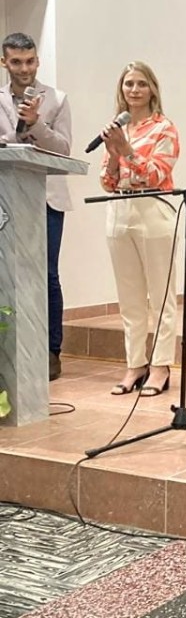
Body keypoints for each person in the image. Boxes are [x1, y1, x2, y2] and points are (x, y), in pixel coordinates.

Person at [99, 62, 179, 396]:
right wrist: (115, 154)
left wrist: (127, 150)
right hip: (119, 209)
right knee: (129, 296)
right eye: (128, 84)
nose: (134, 90)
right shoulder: (118, 128)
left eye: (141, 84)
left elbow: (156, 174)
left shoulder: (165, 128)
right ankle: (135, 364)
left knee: (160, 294)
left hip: (153, 209)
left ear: (152, 89)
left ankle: (160, 366)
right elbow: (106, 181)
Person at [0, 32, 73, 381]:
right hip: (6, 198)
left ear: (38, 61)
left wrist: (36, 123)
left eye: (30, 61)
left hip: (47, 198)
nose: (24, 68)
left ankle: (51, 352)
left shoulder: (56, 99)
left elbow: (63, 149)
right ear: (5, 63)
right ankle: (11, 351)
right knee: (7, 275)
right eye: (16, 62)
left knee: (47, 275)